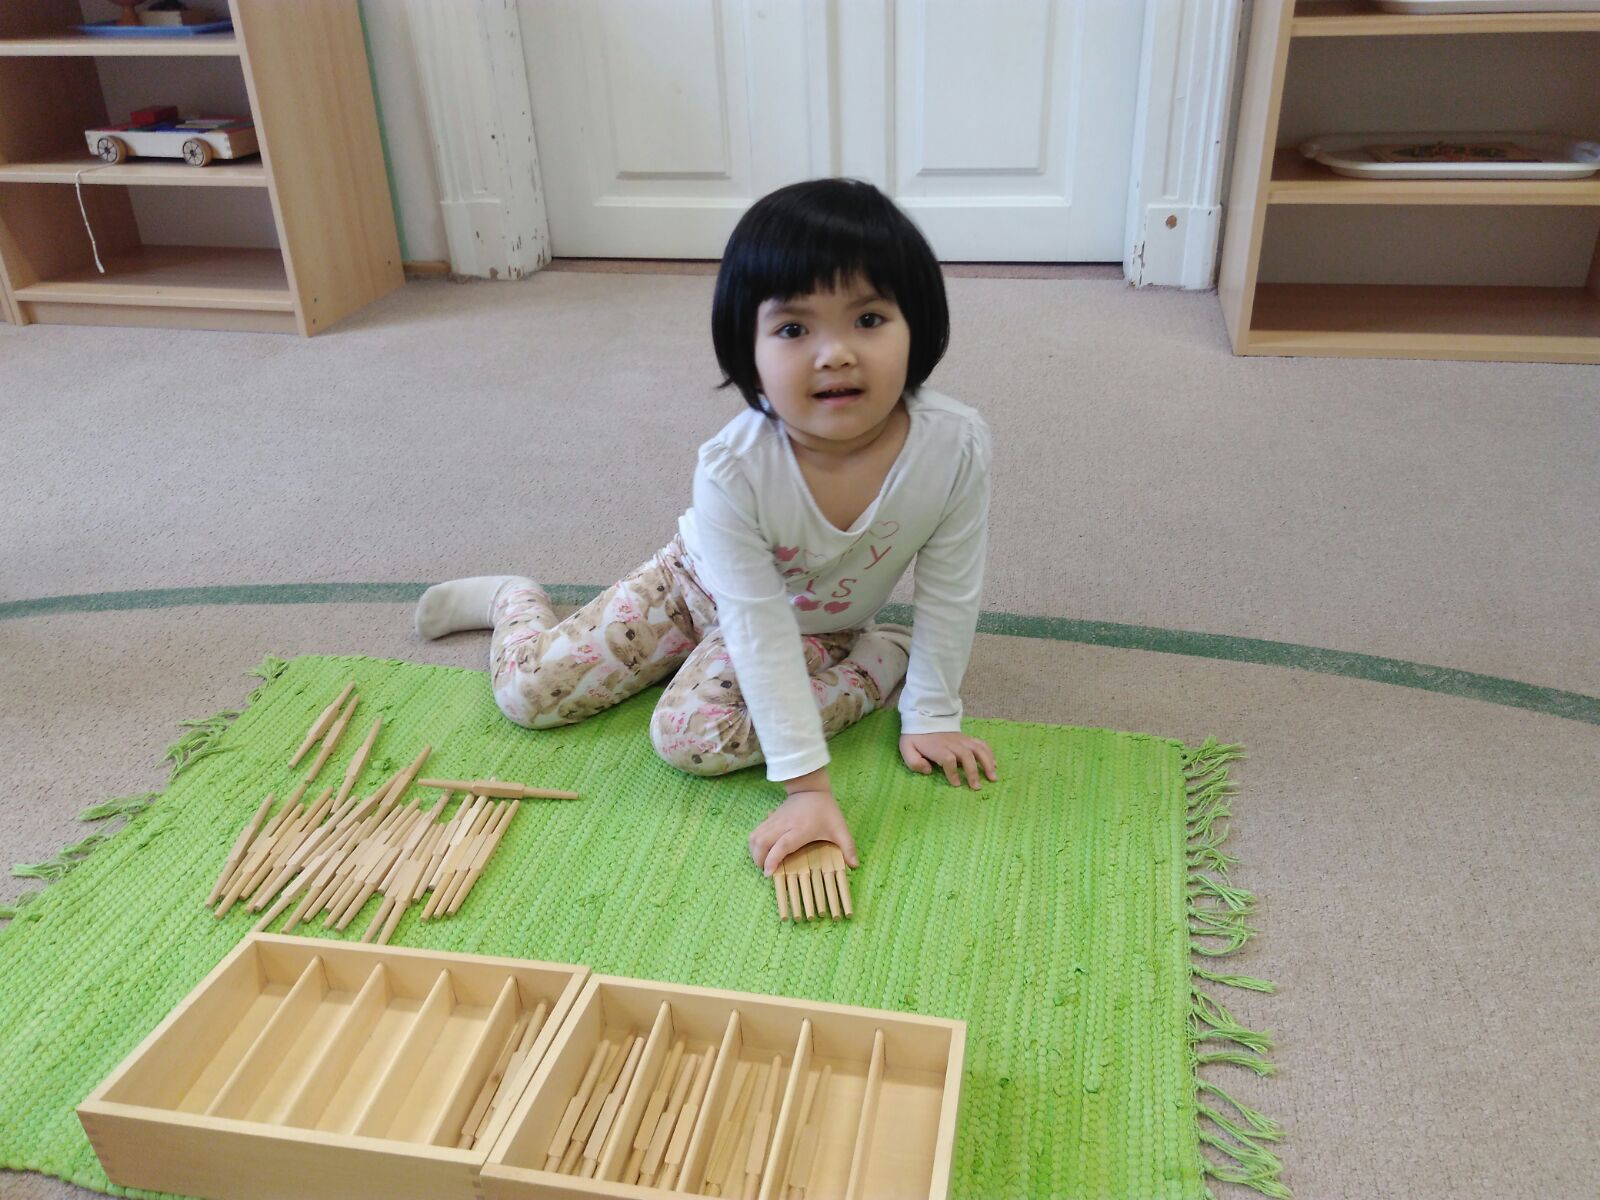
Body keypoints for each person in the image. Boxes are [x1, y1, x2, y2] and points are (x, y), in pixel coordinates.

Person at [415, 176, 997, 879]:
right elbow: (751, 623)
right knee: (526, 696)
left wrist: (930, 711)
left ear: (920, 325)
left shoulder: (955, 445)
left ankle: (883, 661)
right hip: (691, 582)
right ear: (745, 347)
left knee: (689, 736)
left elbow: (951, 588)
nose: (835, 353)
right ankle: (511, 596)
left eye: (868, 320)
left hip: (820, 625)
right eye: (792, 329)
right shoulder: (731, 468)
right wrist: (809, 790)